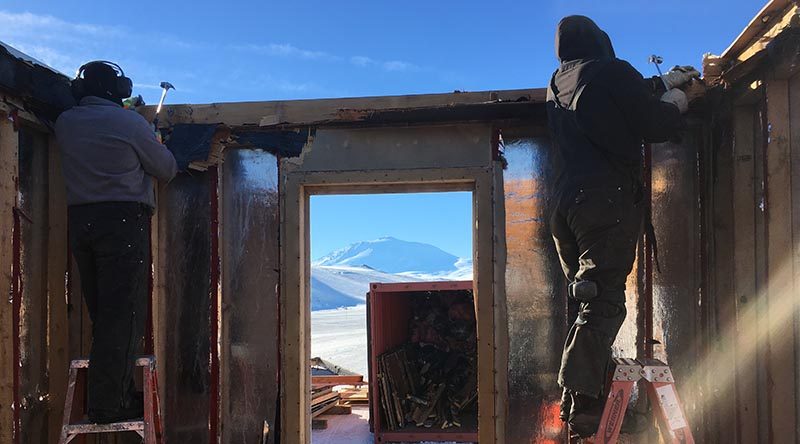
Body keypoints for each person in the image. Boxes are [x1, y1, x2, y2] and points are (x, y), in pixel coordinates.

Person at [545, 16, 698, 438]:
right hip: (603, 202)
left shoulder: (558, 82)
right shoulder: (613, 70)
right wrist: (676, 102)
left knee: (585, 299)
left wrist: (662, 82)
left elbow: (614, 101)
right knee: (602, 302)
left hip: (565, 205)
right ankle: (584, 407)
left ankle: (581, 399)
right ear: (601, 41)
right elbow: (652, 123)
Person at [55, 61, 178, 424]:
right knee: (122, 314)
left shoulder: (66, 123)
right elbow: (166, 168)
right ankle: (109, 403)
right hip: (122, 222)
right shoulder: (129, 123)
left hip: (82, 221)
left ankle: (115, 390)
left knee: (103, 312)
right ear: (118, 90)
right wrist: (150, 138)